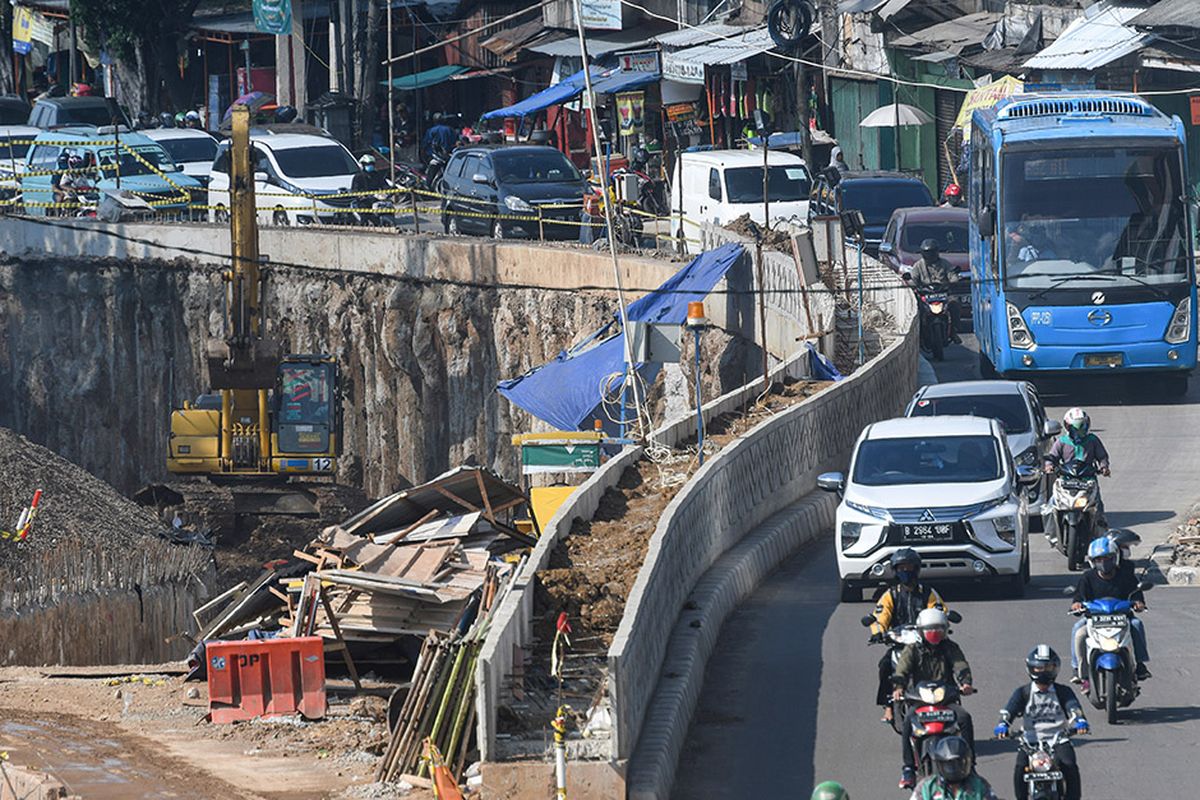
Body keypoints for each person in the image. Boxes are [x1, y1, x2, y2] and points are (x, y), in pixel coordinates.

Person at [893, 608, 976, 790]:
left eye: (939, 629)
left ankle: (971, 764)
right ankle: (908, 768)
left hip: (946, 699)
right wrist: (899, 687)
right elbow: (902, 669)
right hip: (920, 700)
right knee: (907, 722)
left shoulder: (950, 647)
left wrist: (965, 683)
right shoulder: (912, 649)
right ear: (921, 631)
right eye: (931, 630)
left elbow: (960, 665)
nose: (935, 634)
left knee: (964, 718)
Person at [994, 645, 1089, 800]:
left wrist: (1080, 721)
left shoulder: (1063, 691)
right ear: (1031, 669)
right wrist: (1003, 724)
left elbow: (1074, 708)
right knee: (1020, 769)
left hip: (1058, 738)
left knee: (1069, 765)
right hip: (1030, 741)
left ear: (1055, 668)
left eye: (1048, 667)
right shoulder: (1023, 693)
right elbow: (1009, 711)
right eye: (1039, 668)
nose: (1043, 671)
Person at [866, 549, 948, 724]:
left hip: (926, 643)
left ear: (916, 569)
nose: (905, 571)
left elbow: (939, 611)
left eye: (909, 567)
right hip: (899, 644)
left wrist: (940, 625)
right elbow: (880, 616)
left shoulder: (928, 593)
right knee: (885, 666)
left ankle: (949, 699)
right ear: (895, 571)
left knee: (946, 661)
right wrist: (878, 633)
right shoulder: (890, 595)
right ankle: (888, 705)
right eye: (901, 568)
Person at [1071, 537, 1150, 684]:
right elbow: (1078, 597)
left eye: (1107, 558)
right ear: (1092, 561)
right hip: (1094, 619)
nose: (1104, 562)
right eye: (1099, 559)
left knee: (1137, 625)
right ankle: (1077, 668)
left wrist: (1138, 603)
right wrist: (1076, 605)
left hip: (1123, 618)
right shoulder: (1087, 577)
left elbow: (1136, 593)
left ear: (1116, 558)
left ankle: (1140, 664)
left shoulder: (1126, 575)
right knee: (1078, 631)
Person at [1043, 407, 1110, 528]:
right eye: (1075, 428)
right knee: (1051, 505)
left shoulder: (1092, 440)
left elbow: (1102, 456)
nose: (1079, 431)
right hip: (1066, 479)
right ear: (1067, 427)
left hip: (1087, 480)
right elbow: (1052, 457)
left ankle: (1100, 527)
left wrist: (1104, 467)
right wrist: (1049, 466)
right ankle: (1051, 530)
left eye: (1082, 427)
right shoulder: (1062, 442)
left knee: (1098, 506)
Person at [910, 736, 997, 800]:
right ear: (940, 764)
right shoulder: (926, 787)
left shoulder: (979, 785)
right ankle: (908, 768)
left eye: (959, 763)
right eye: (949, 765)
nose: (955, 769)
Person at [909, 239, 962, 343]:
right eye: (927, 253)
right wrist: (912, 284)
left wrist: (954, 280)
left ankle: (953, 331)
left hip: (943, 294)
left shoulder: (945, 263)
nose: (930, 255)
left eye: (932, 252)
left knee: (954, 303)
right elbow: (913, 279)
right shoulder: (918, 266)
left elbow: (952, 275)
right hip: (926, 295)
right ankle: (918, 335)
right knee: (916, 309)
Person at [350, 154, 390, 221]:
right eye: (367, 164)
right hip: (364, 200)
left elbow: (383, 184)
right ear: (363, 165)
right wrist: (361, 194)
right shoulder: (358, 177)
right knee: (364, 215)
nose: (370, 166)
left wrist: (389, 189)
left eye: (371, 164)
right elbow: (354, 190)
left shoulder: (377, 175)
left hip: (376, 198)